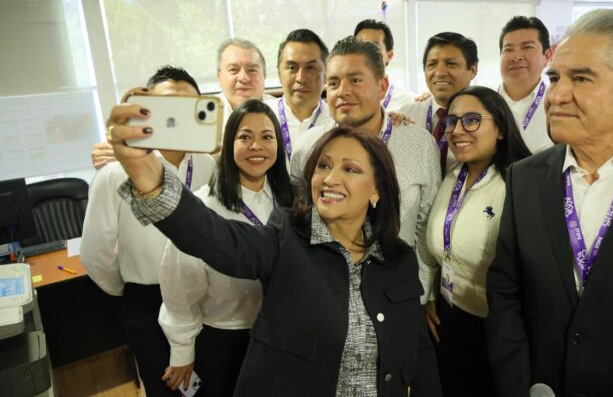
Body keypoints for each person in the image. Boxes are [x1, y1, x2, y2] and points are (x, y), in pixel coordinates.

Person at [104, 97, 443, 396]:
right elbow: (216, 238)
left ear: (376, 190)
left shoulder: (399, 258)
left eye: (350, 169)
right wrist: (149, 178)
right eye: (323, 165)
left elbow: (418, 352)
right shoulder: (287, 238)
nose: (330, 178)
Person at [486, 9, 613, 396]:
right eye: (554, 78)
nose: (556, 95)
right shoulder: (525, 178)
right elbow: (505, 294)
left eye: (580, 78)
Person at [81, 66, 217, 397]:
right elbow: (96, 253)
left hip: (202, 295)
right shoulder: (115, 174)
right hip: (148, 300)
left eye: (188, 105)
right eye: (168, 105)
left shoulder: (208, 165)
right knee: (165, 390)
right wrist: (129, 289)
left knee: (207, 386)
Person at [290, 36, 442, 305]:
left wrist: (423, 294)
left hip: (398, 293)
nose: (342, 91)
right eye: (333, 83)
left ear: (382, 87)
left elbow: (425, 226)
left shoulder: (419, 144)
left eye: (355, 80)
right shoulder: (307, 147)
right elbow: (300, 224)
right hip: (327, 294)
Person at [159, 100, 294, 396]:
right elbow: (180, 288)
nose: (256, 146)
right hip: (225, 340)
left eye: (267, 136)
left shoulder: (291, 201)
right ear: (229, 144)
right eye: (245, 137)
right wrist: (182, 350)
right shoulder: (205, 208)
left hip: (283, 337)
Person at [423, 87, 530, 396]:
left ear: (500, 128)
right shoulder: (452, 174)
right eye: (452, 121)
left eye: (472, 120)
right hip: (448, 316)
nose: (457, 130)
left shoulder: (519, 183)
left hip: (496, 329)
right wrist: (432, 295)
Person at [91, 38, 269, 169]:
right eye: (233, 70)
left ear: (265, 75)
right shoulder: (194, 111)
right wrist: (117, 152)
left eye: (252, 70)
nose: (244, 78)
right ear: (219, 77)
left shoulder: (278, 109)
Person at [399, 32, 479, 174]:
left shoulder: (486, 117)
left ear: (473, 70)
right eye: (432, 64)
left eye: (451, 64)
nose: (440, 73)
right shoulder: (406, 115)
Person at [265, 29, 333, 162]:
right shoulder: (261, 117)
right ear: (279, 74)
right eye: (292, 68)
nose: (301, 78)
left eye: (310, 68)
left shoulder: (337, 122)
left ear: (326, 74)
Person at [497, 16, 554, 153]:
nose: (516, 57)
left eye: (528, 47)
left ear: (547, 56)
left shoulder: (558, 107)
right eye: (508, 49)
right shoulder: (482, 104)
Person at [354, 19, 413, 112]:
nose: (364, 53)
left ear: (389, 56)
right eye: (359, 46)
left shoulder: (408, 103)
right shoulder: (340, 98)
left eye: (373, 47)